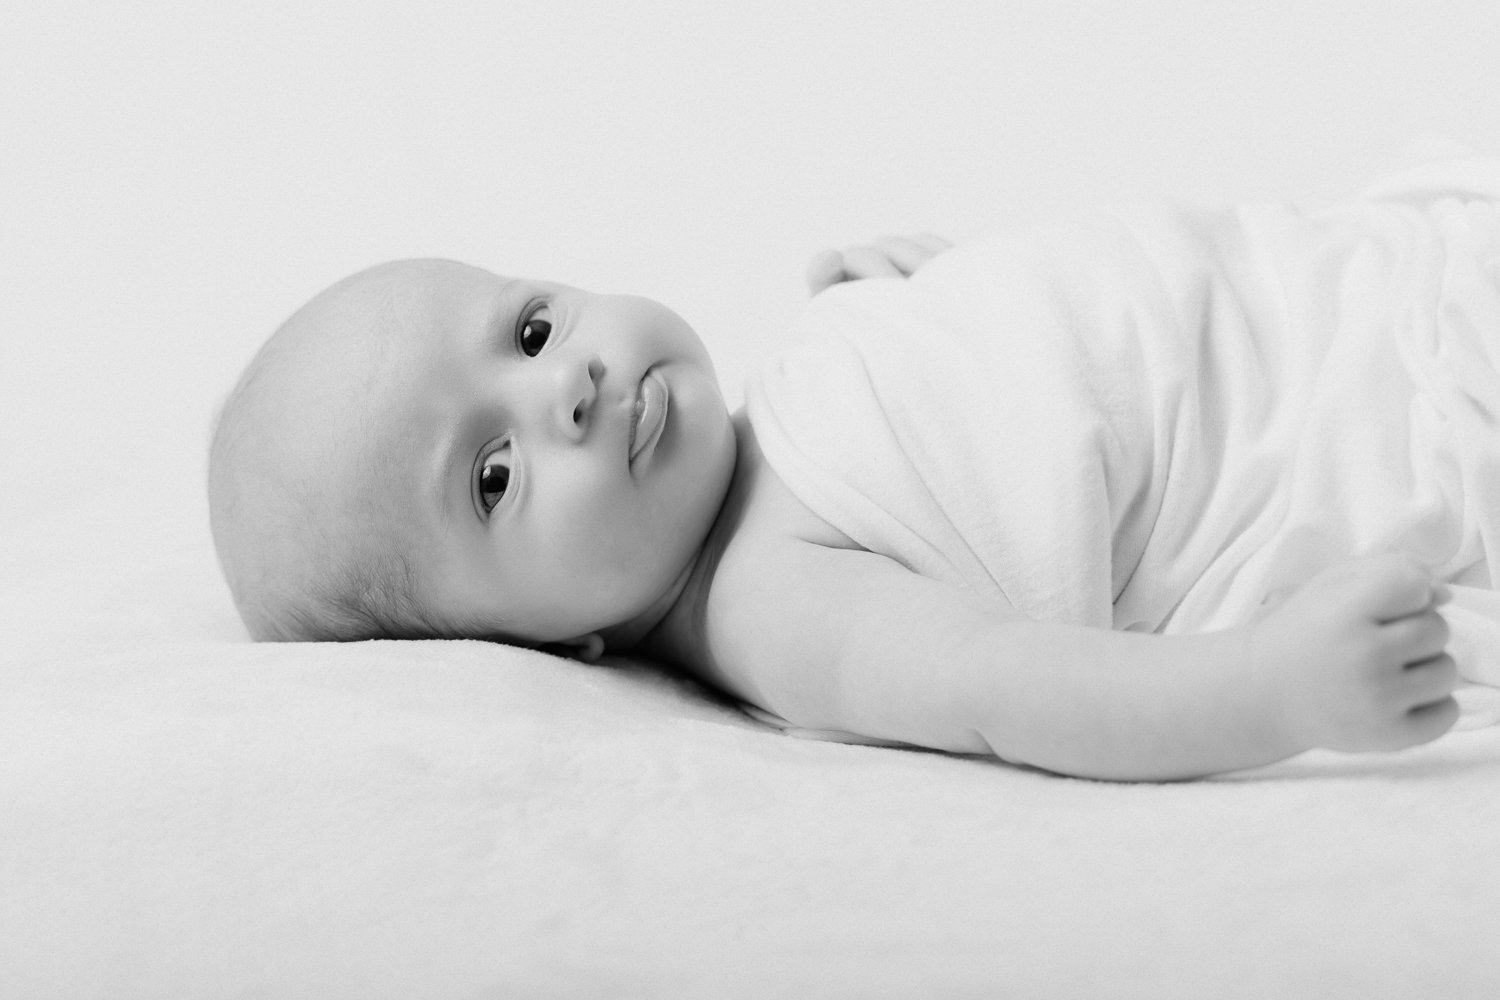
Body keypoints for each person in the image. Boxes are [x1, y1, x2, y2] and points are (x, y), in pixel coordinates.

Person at [210, 160, 1500, 782]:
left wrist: (933, 305)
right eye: (492, 478)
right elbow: (1019, 691)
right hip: (1387, 426)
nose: (568, 386)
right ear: (549, 649)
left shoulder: (774, 414)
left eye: (530, 329)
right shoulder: (778, 605)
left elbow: (1003, 415)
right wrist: (1275, 689)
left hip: (1368, 281)